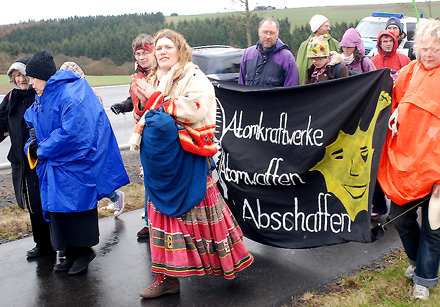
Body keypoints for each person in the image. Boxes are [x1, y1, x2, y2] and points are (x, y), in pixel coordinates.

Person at [129, 29, 254, 299]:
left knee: (201, 218)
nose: (162, 52)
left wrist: (153, 100)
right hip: (161, 165)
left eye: (168, 47)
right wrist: (141, 103)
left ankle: (229, 263)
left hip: (189, 159)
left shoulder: (194, 77)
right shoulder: (157, 78)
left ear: (180, 50)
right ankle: (167, 278)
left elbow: (194, 109)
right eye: (158, 48)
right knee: (164, 220)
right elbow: (150, 113)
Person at [23, 50, 129, 275]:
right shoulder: (42, 97)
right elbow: (33, 130)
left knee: (77, 210)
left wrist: (42, 149)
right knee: (59, 214)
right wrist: (32, 147)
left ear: (43, 75)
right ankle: (69, 253)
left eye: (32, 77)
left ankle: (83, 251)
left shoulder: (71, 93)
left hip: (75, 166)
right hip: (54, 166)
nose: (29, 81)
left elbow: (73, 133)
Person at [378, 19, 440, 300]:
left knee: (434, 226)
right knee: (400, 220)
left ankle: (424, 281)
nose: (429, 54)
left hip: (436, 171)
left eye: (436, 49)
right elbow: (386, 101)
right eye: (425, 48)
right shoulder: (407, 73)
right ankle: (418, 262)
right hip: (406, 166)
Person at [0, 57, 54, 259]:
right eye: (17, 75)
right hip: (20, 161)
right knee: (32, 204)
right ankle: (42, 244)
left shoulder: (41, 95)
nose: (22, 79)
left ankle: (56, 243)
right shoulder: (11, 98)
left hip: (39, 159)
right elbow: (1, 123)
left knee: (45, 203)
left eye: (25, 75)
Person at [59, 61, 125, 218]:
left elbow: (96, 119)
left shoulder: (91, 93)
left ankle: (114, 197)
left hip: (91, 143)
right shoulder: (63, 95)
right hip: (75, 144)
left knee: (96, 177)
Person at [110, 34, 155, 238]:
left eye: (145, 52)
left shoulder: (162, 73)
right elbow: (135, 99)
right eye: (138, 54)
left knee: (157, 177)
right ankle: (150, 220)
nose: (141, 57)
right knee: (148, 177)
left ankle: (158, 220)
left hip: (160, 132)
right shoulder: (137, 74)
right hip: (143, 133)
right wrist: (123, 106)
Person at [238, 17, 299, 87]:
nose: (268, 36)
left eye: (272, 33)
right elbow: (241, 87)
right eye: (265, 32)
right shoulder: (248, 54)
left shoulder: (287, 58)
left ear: (277, 34)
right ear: (259, 32)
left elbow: (292, 92)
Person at [296, 14, 340, 85]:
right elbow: (300, 69)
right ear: (318, 28)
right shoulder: (304, 46)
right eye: (326, 26)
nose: (329, 28)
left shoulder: (334, 43)